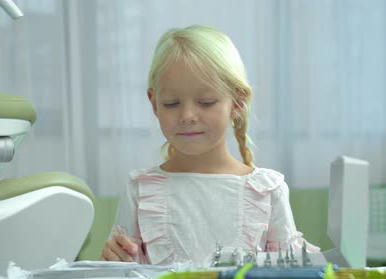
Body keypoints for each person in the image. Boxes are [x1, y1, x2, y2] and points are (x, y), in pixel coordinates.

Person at [100, 25, 319, 265]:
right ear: (154, 104)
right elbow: (122, 278)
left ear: (237, 102)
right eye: (172, 103)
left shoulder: (267, 191)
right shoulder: (140, 190)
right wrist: (112, 261)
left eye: (205, 102)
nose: (187, 115)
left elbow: (291, 278)